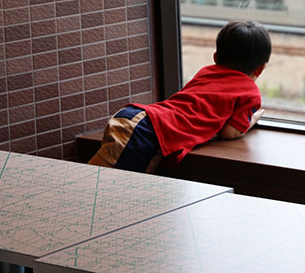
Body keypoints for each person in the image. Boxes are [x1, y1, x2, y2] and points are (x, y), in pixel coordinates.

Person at [88, 20, 271, 173]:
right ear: (260, 69)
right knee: (100, 186)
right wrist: (253, 119)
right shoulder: (249, 91)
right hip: (148, 132)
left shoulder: (206, 72)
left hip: (140, 120)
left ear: (215, 57)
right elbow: (229, 132)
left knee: (109, 182)